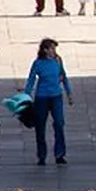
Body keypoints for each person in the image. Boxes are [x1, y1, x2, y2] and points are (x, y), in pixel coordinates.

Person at [21, 38, 71, 166]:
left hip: (56, 96)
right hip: (42, 97)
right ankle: (41, 155)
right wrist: (26, 95)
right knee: (40, 127)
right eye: (52, 48)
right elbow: (31, 79)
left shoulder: (58, 61)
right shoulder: (38, 63)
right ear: (45, 50)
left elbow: (63, 76)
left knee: (59, 123)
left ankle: (60, 154)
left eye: (55, 48)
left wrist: (69, 93)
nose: (54, 51)